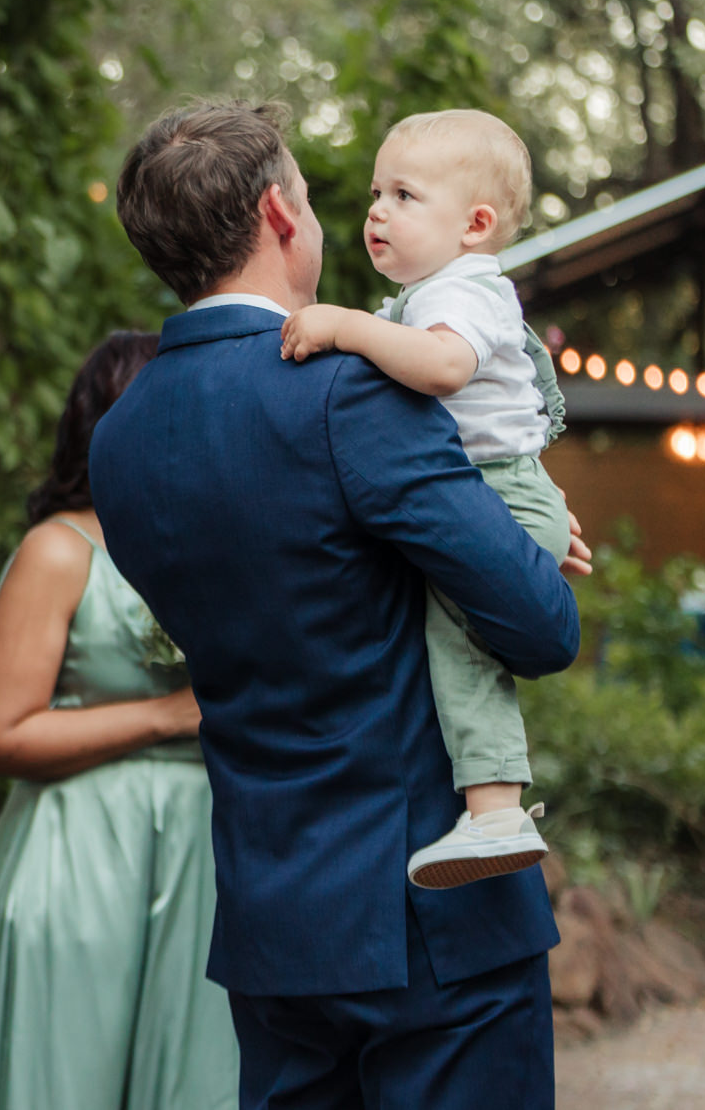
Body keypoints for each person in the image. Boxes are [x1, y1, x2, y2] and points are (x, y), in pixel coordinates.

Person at [89, 101, 588, 1110]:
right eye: (319, 202)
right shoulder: (351, 393)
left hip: (270, 914)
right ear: (279, 214)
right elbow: (537, 628)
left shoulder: (120, 432)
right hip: (426, 914)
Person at [0, 330, 235, 1110]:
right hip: (77, 863)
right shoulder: (61, 550)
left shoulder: (225, 544)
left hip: (203, 865)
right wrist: (168, 715)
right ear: (102, 424)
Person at [279, 109, 570, 889]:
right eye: (377, 192)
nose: (376, 210)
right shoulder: (423, 297)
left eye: (405, 195)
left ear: (476, 225)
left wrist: (341, 325)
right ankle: (486, 805)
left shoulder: (466, 290)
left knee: (460, 644)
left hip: (499, 494)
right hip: (492, 490)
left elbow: (442, 369)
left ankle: (496, 809)